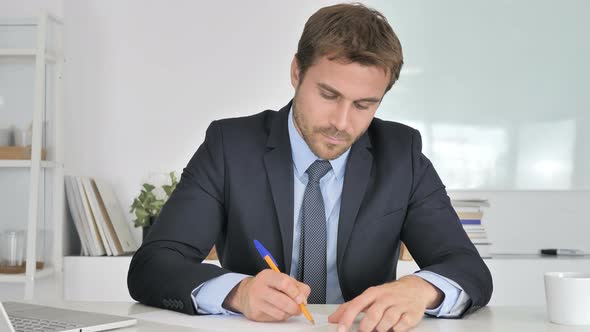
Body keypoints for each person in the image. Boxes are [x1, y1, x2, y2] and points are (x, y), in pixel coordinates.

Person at [128, 3, 493, 331]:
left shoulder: (401, 155)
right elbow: (153, 265)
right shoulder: (230, 146)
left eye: (364, 105)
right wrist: (238, 292)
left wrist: (422, 289)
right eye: (328, 95)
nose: (342, 123)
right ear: (296, 72)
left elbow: (468, 267)